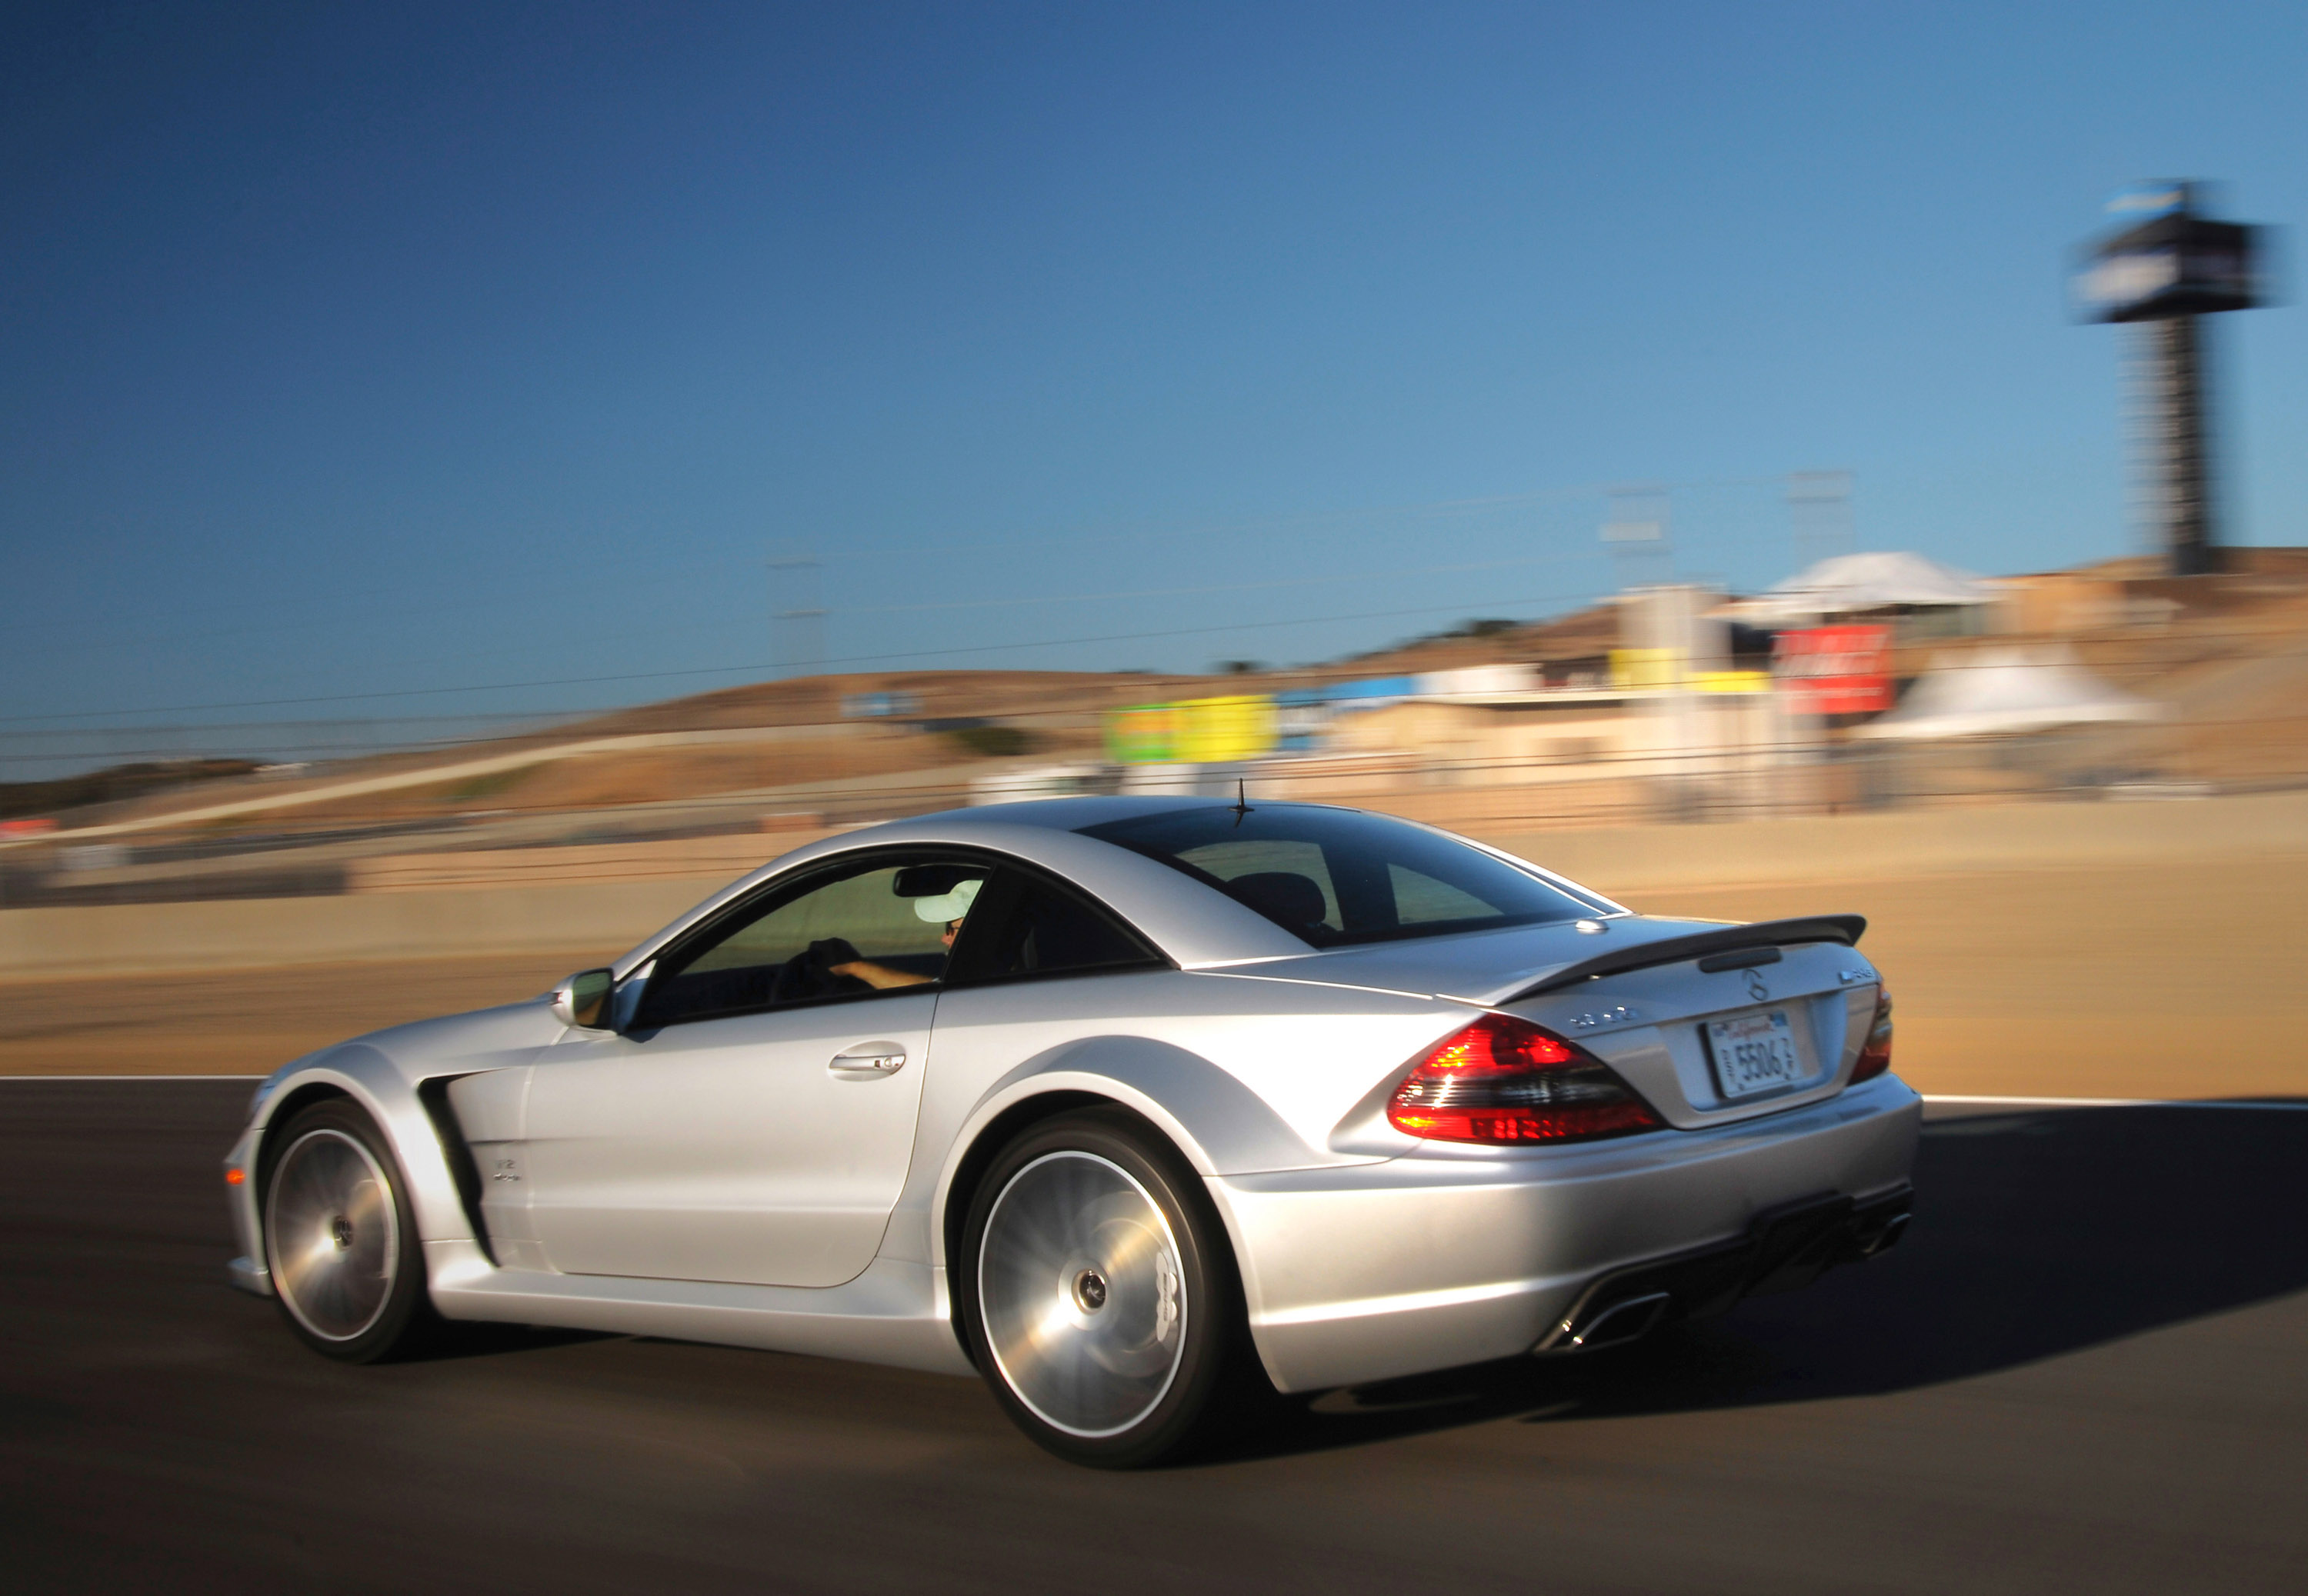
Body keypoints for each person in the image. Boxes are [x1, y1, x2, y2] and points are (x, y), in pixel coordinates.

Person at [827, 876, 980, 990]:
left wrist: (854, 969)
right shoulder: (988, 973)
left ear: (976, 931)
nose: (944, 938)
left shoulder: (985, 980)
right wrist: (856, 969)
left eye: (950, 929)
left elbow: (935, 993)